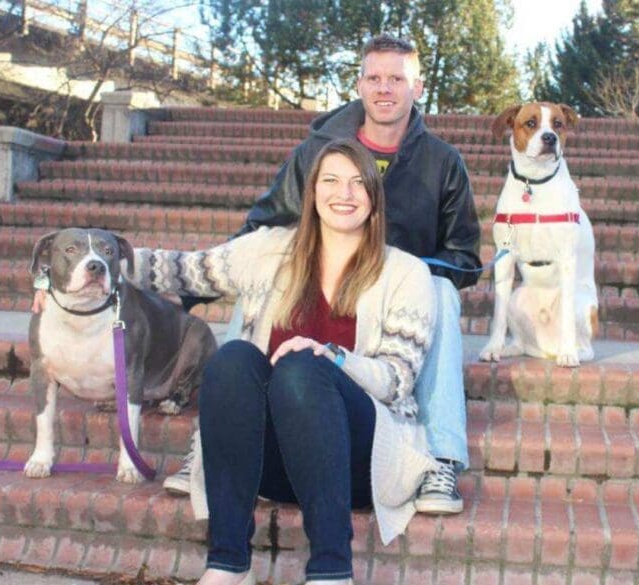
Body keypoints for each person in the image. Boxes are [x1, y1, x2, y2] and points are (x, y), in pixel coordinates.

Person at [168, 33, 480, 515]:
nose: (384, 89)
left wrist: (401, 271)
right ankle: (211, 446)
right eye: (374, 77)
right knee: (263, 275)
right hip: (317, 281)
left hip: (396, 307)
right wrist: (183, 296)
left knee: (440, 288)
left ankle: (440, 457)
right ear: (359, 84)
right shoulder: (316, 151)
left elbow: (464, 257)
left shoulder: (444, 163)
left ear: (417, 88)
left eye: (396, 78)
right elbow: (262, 227)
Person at [135, 139, 438, 585]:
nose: (344, 193)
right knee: (235, 357)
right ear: (312, 192)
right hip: (268, 465)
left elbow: (396, 380)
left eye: (358, 183)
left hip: (360, 465)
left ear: (374, 197)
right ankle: (228, 565)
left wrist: (333, 357)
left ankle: (331, 571)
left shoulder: (405, 272)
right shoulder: (269, 251)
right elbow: (182, 269)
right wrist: (88, 264)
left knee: (302, 366)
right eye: (331, 181)